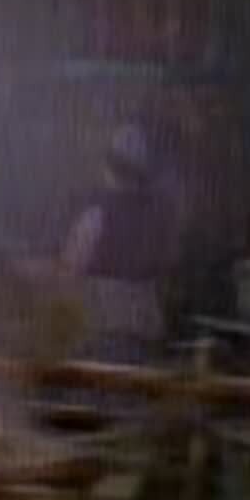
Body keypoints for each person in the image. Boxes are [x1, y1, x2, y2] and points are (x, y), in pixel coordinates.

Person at [52, 123, 180, 365]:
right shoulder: (158, 220)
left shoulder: (97, 215)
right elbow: (167, 276)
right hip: (146, 337)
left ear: (108, 167)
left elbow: (69, 270)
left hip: (103, 334)